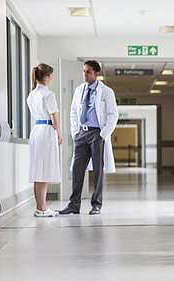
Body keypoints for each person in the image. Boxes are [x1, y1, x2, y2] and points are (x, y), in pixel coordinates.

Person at [58, 60, 118, 215]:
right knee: (77, 169)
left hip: (97, 134)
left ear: (96, 74)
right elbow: (73, 112)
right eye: (84, 71)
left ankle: (96, 204)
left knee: (98, 169)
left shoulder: (106, 91)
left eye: (88, 72)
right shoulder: (79, 90)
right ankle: (74, 204)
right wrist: (75, 133)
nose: (85, 74)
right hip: (81, 134)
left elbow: (113, 115)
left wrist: (103, 134)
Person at [27, 63, 61, 217]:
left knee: (38, 170)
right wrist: (59, 134)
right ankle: (42, 208)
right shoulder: (48, 94)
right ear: (47, 77)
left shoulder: (31, 94)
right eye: (51, 75)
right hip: (47, 131)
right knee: (44, 170)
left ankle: (39, 206)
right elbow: (54, 119)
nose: (52, 78)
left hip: (36, 131)